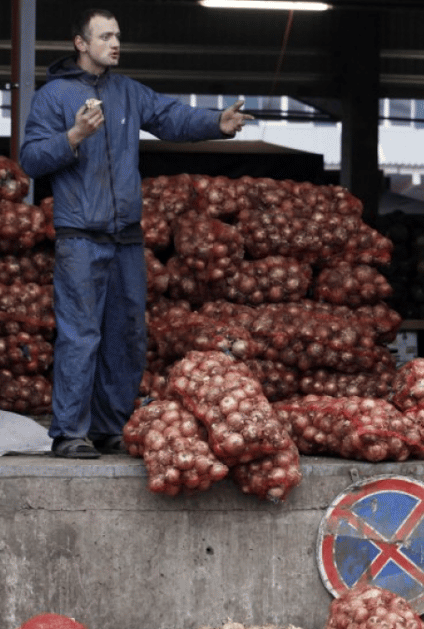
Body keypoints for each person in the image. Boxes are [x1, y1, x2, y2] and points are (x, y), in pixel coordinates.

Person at [20, 8, 252, 459]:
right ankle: (69, 431)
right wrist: (73, 135)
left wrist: (215, 125)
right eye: (105, 36)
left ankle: (109, 426)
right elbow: (30, 159)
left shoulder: (128, 92)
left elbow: (170, 117)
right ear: (80, 43)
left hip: (126, 236)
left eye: (118, 35)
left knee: (126, 334)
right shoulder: (54, 97)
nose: (115, 43)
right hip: (80, 237)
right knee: (80, 334)